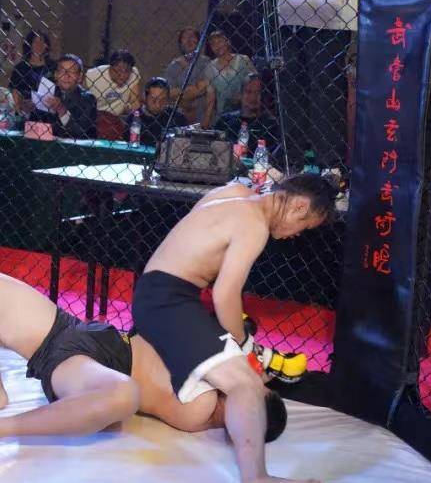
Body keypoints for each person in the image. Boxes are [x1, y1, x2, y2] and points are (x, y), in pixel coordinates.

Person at [0, 268, 290, 463]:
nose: (251, 384)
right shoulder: (221, 371)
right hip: (71, 329)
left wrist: (243, 370)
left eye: (255, 395)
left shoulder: (203, 408)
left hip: (86, 365)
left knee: (123, 394)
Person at [132, 173, 335, 483]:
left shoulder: (235, 191)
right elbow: (224, 294)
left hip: (160, 293)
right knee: (246, 384)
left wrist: (239, 344)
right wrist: (243, 346)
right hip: (167, 300)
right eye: (303, 226)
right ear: (299, 207)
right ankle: (257, 477)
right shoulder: (254, 225)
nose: (296, 235)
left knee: (241, 372)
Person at [32, 54, 98, 139]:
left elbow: (80, 132)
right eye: (62, 71)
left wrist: (62, 111)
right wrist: (28, 110)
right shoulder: (49, 92)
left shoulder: (88, 99)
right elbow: (35, 125)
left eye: (72, 71)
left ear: (80, 77)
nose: (66, 76)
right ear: (56, 75)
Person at [163, 27, 215, 125]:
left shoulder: (207, 63)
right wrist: (193, 89)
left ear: (199, 42)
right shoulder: (173, 65)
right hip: (179, 118)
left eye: (192, 36)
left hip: (202, 117)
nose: (189, 40)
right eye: (185, 37)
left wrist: (180, 93)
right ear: (180, 43)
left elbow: (204, 88)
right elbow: (168, 93)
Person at [126, 77, 188, 146]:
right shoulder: (134, 119)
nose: (158, 105)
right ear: (145, 97)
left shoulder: (177, 118)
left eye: (163, 100)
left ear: (168, 100)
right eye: (153, 99)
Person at [85, 48, 142, 117]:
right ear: (110, 67)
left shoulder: (133, 74)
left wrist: (136, 117)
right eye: (118, 71)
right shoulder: (92, 76)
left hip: (117, 119)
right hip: (95, 117)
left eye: (126, 71)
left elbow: (135, 103)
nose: (122, 75)